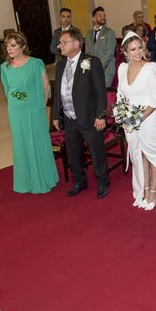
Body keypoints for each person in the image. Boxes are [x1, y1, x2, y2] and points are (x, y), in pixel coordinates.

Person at [53, 28, 110, 199]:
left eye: (63, 42)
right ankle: (79, 181)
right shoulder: (60, 64)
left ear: (76, 44)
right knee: (73, 152)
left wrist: (100, 116)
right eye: (60, 43)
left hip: (89, 117)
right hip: (69, 118)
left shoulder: (92, 62)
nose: (59, 46)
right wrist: (56, 115)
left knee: (96, 152)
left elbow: (101, 92)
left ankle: (102, 182)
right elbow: (58, 92)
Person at [117, 31, 156, 210]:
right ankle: (145, 189)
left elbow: (155, 99)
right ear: (125, 52)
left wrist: (137, 118)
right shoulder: (122, 69)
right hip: (130, 120)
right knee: (140, 156)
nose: (137, 52)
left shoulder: (151, 68)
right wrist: (122, 113)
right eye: (132, 49)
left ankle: (154, 191)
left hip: (147, 119)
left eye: (139, 47)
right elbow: (120, 94)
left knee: (152, 154)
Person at [0, 32, 59, 194]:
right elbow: (7, 89)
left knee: (37, 142)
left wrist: (40, 106)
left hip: (34, 110)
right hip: (15, 111)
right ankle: (25, 181)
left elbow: (45, 86)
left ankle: (43, 178)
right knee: (21, 143)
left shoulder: (35, 63)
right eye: (7, 46)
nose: (9, 49)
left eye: (13, 45)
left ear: (23, 47)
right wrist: (15, 102)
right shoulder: (4, 67)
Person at [85, 6, 117, 87]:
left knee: (103, 92)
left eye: (104, 15)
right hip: (93, 69)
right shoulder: (89, 33)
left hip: (106, 69)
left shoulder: (109, 32)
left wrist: (98, 66)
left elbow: (109, 53)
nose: (103, 17)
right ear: (94, 18)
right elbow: (88, 52)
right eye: (100, 15)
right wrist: (88, 65)